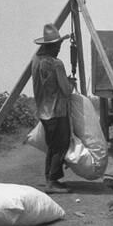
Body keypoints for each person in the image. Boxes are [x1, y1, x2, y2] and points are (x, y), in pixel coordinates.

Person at [31, 23, 75, 193]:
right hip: (57, 111)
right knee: (61, 145)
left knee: (52, 145)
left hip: (43, 111)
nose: (58, 49)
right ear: (50, 46)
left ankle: (49, 178)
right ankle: (53, 181)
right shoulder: (56, 64)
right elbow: (66, 90)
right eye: (57, 46)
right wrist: (71, 83)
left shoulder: (36, 62)